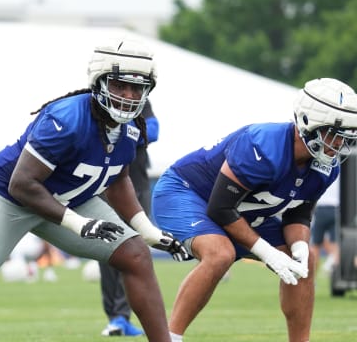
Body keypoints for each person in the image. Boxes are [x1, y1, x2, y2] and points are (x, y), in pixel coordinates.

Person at [0, 37, 188, 342]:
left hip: (69, 200)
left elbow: (118, 179)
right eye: (120, 86)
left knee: (136, 254)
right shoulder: (67, 117)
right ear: (99, 83)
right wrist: (78, 223)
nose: (129, 95)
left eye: (137, 88)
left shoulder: (132, 127)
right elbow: (22, 184)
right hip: (10, 197)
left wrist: (146, 230)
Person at [151, 78, 357, 342]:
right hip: (187, 192)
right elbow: (221, 207)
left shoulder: (326, 166)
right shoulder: (263, 145)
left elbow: (298, 213)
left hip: (240, 211)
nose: (339, 145)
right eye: (333, 134)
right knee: (220, 253)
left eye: (345, 137)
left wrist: (300, 247)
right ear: (308, 122)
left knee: (304, 262)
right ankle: (169, 337)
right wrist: (267, 252)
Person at [99, 97, 159, 336]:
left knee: (135, 248)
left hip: (137, 186)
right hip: (104, 187)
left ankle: (122, 316)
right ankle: (115, 317)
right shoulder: (100, 102)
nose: (126, 92)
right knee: (104, 249)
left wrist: (122, 131)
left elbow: (153, 130)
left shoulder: (140, 101)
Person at [310, 177, 340, 274]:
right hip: (336, 209)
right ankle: (335, 275)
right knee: (335, 243)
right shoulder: (340, 172)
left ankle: (312, 279)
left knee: (315, 245)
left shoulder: (322, 172)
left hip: (321, 209)